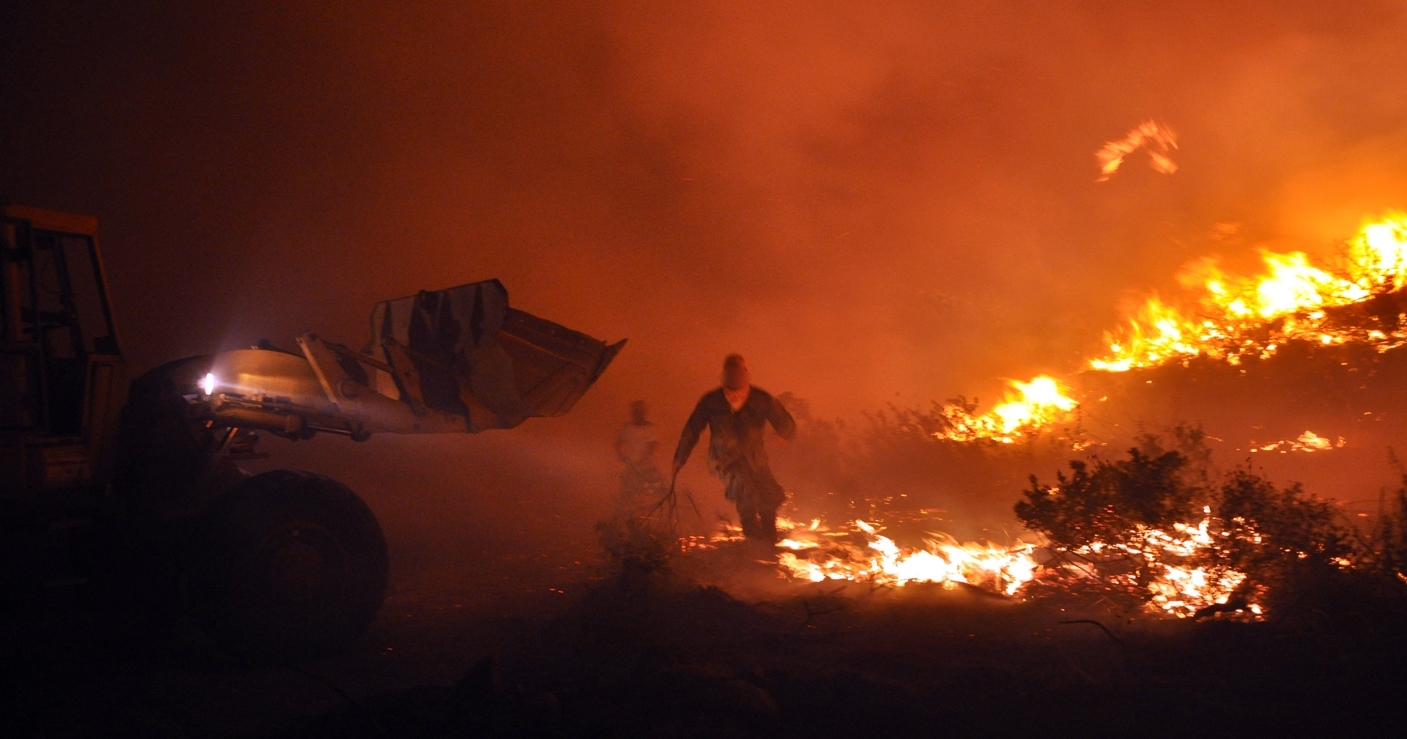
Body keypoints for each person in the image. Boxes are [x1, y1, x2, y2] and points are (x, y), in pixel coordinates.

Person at [672, 354, 796, 544]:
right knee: (746, 495)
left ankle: (769, 541)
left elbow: (785, 421)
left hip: (756, 459)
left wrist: (783, 434)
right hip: (725, 460)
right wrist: (680, 458)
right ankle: (755, 544)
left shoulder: (760, 398)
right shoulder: (711, 401)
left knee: (769, 496)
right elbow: (692, 429)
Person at [614, 400, 664, 518]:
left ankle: (653, 516)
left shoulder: (650, 427)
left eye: (640, 411)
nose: (638, 414)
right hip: (632, 466)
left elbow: (653, 445)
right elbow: (618, 442)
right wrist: (621, 455)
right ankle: (626, 517)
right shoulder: (628, 428)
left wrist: (644, 459)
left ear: (644, 413)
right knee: (627, 493)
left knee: (655, 494)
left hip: (648, 467)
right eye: (635, 411)